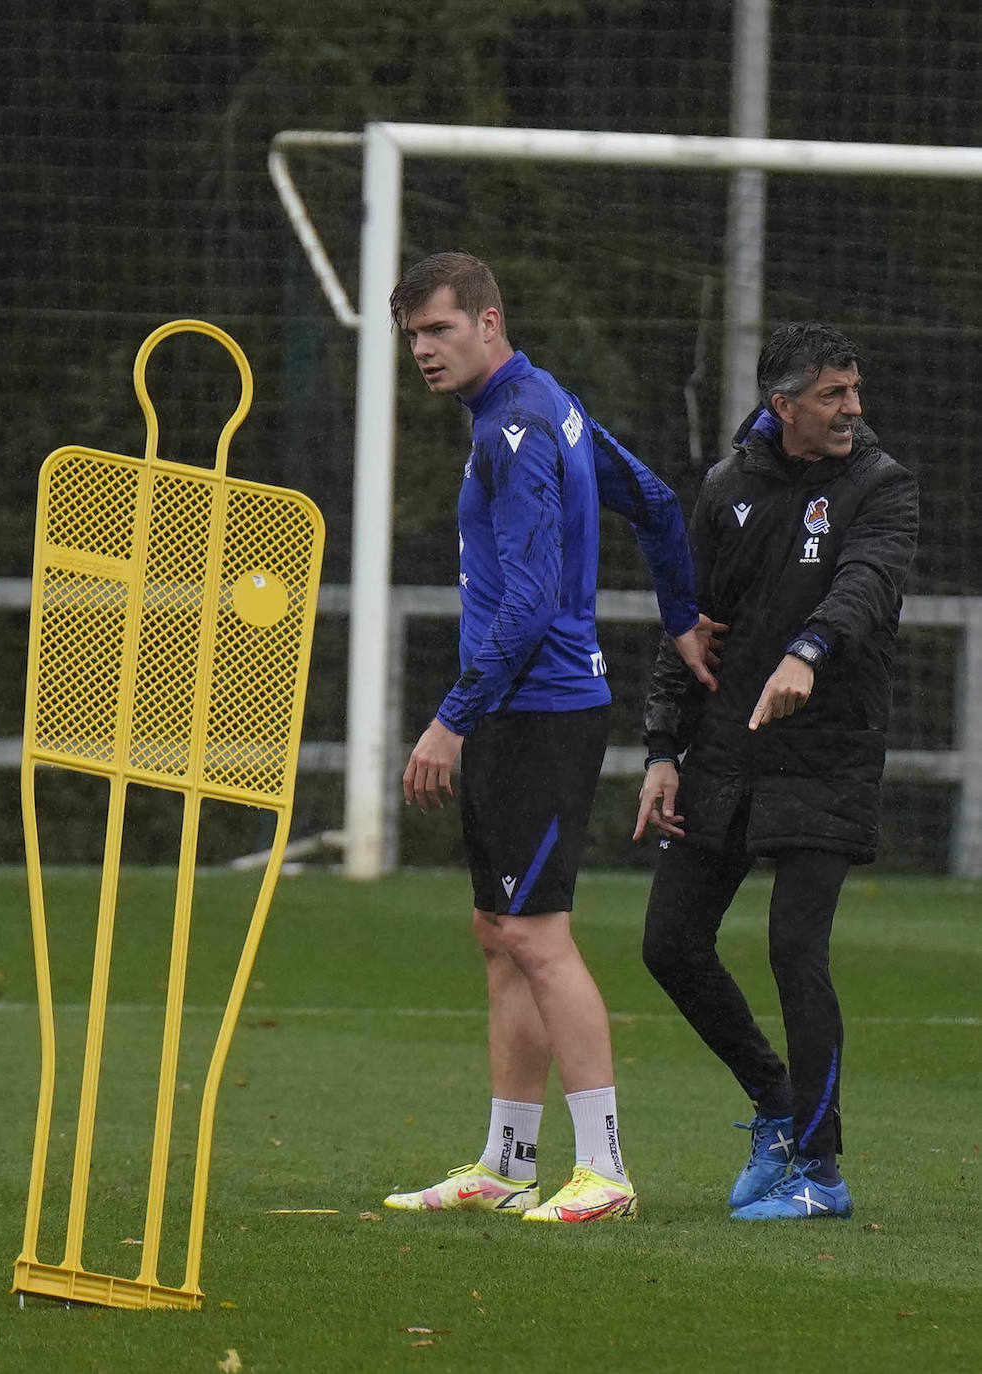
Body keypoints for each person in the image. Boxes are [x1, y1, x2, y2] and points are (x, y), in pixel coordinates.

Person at [380, 251, 724, 1223]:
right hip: (518, 709)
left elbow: (529, 605)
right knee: (498, 936)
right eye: (412, 337)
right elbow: (654, 502)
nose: (423, 352)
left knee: (535, 937)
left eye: (439, 330)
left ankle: (604, 1171)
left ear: (490, 321)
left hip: (539, 710)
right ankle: (505, 1161)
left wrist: (450, 718)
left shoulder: (521, 426)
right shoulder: (538, 404)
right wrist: (680, 617)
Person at [635, 322, 918, 1220]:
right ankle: (774, 1101)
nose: (852, 409)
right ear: (782, 402)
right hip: (726, 749)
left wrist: (807, 650)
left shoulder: (880, 485)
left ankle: (820, 1173)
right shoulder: (726, 490)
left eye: (855, 391)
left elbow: (866, 585)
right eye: (833, 394)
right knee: (668, 944)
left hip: (827, 750)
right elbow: (692, 626)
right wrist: (659, 750)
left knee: (794, 945)